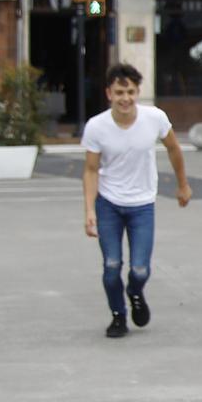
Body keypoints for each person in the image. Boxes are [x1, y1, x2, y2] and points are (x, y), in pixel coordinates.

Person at [82, 63, 191, 339]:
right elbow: (91, 170)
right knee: (111, 266)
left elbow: (174, 149)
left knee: (140, 269)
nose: (125, 98)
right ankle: (118, 315)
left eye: (130, 92)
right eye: (119, 92)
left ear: (138, 92)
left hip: (142, 205)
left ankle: (134, 291)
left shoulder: (154, 118)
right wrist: (89, 211)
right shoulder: (97, 126)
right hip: (108, 203)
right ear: (109, 93)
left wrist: (183, 185)